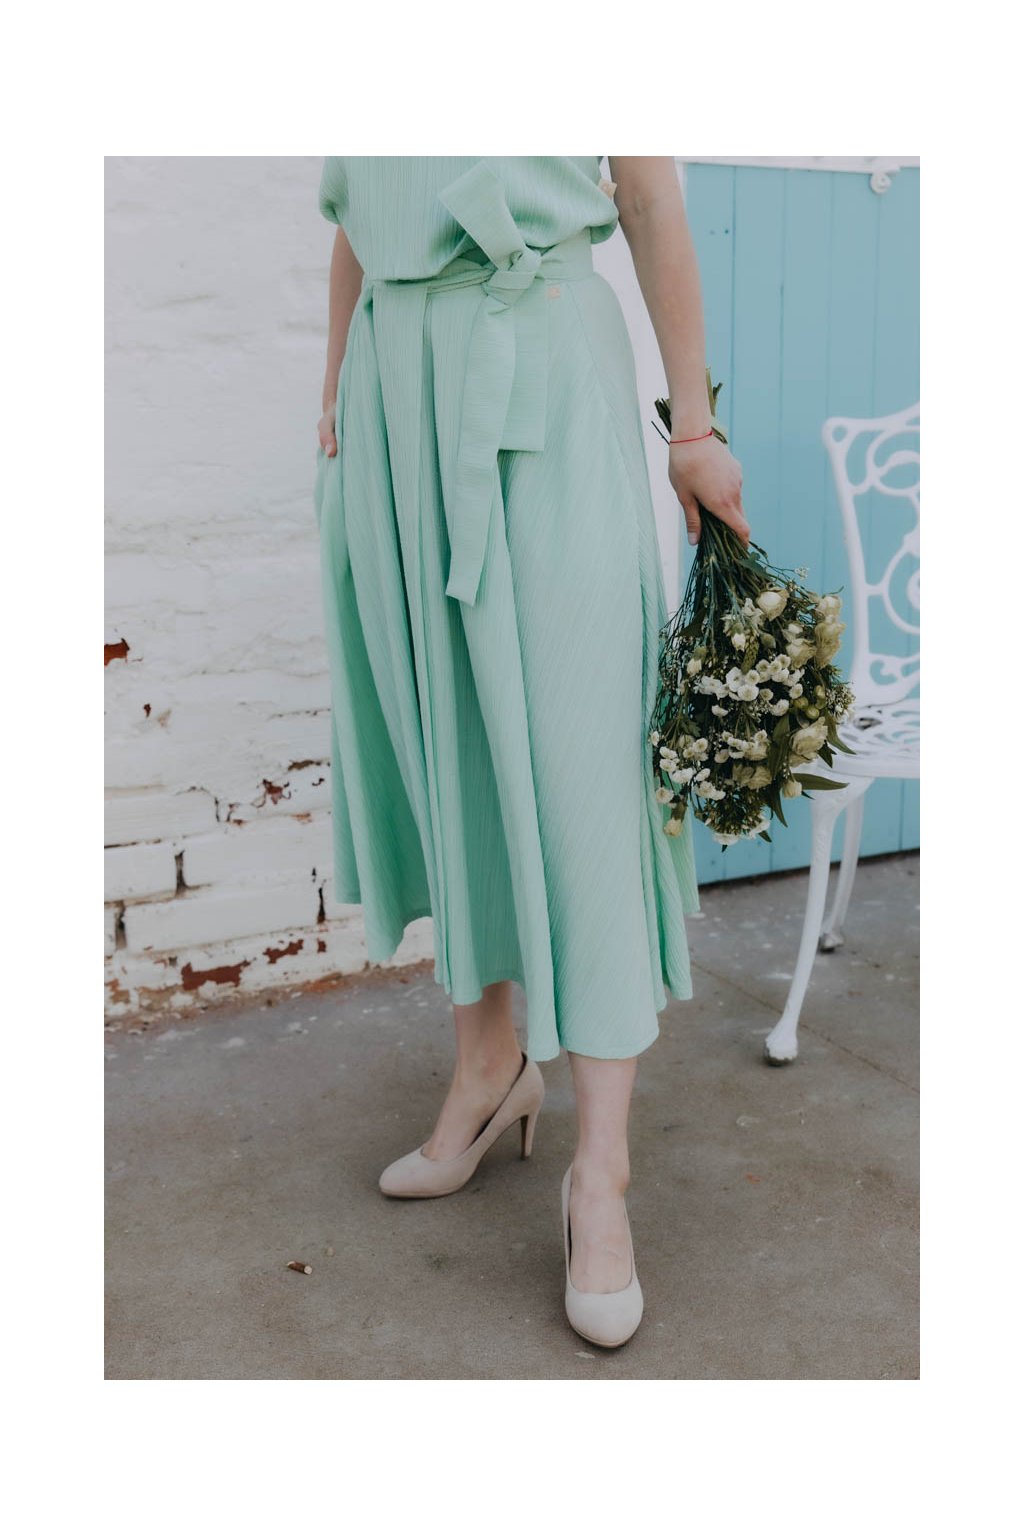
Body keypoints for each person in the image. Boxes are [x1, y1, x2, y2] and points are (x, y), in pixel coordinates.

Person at [314, 156, 748, 1350]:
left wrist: (693, 426)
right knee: (443, 735)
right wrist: (336, 382)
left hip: (544, 364)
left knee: (583, 766)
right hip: (393, 392)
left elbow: (647, 196)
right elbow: (354, 212)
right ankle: (488, 1069)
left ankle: (600, 1174)